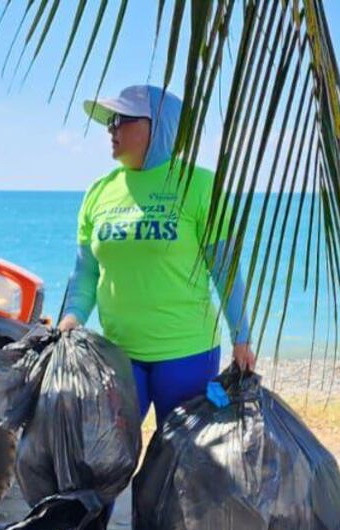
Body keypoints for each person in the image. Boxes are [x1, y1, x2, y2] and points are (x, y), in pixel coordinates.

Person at [57, 85, 254, 422]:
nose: (111, 128)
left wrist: (242, 338)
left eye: (121, 119)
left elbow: (225, 270)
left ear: (159, 126)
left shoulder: (201, 186)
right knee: (109, 461)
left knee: (183, 464)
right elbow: (86, 273)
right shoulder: (99, 192)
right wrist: (71, 319)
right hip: (118, 354)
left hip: (187, 354)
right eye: (109, 120)